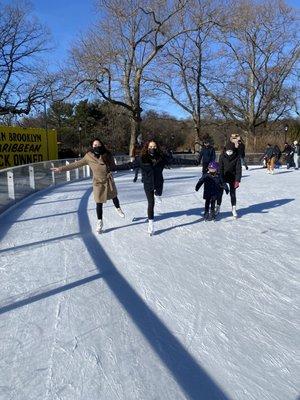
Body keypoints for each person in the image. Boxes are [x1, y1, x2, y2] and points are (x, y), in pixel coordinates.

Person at [51, 138, 125, 233]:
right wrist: (61, 169)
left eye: (98, 145)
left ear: (102, 145)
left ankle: (118, 208)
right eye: (95, 145)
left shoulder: (107, 154)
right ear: (92, 146)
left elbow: (113, 166)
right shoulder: (88, 157)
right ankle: (100, 222)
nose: (97, 147)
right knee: (99, 202)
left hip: (108, 179)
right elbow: (76, 164)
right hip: (98, 182)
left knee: (114, 195)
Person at [135, 140, 168, 235]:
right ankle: (151, 224)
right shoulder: (142, 159)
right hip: (148, 184)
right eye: (150, 146)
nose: (152, 148)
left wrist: (194, 162)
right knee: (151, 203)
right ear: (147, 147)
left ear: (157, 148)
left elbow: (176, 161)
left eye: (154, 147)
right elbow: (129, 165)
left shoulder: (161, 158)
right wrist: (114, 167)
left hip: (158, 183)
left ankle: (157, 194)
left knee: (159, 194)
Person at [218, 142, 242, 218]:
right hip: (224, 176)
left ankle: (234, 208)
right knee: (220, 193)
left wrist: (237, 180)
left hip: (233, 177)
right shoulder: (222, 156)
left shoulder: (237, 156)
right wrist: (221, 179)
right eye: (228, 150)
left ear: (233, 150)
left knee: (232, 193)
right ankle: (218, 207)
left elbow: (239, 169)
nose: (229, 152)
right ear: (225, 150)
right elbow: (220, 169)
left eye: (231, 150)